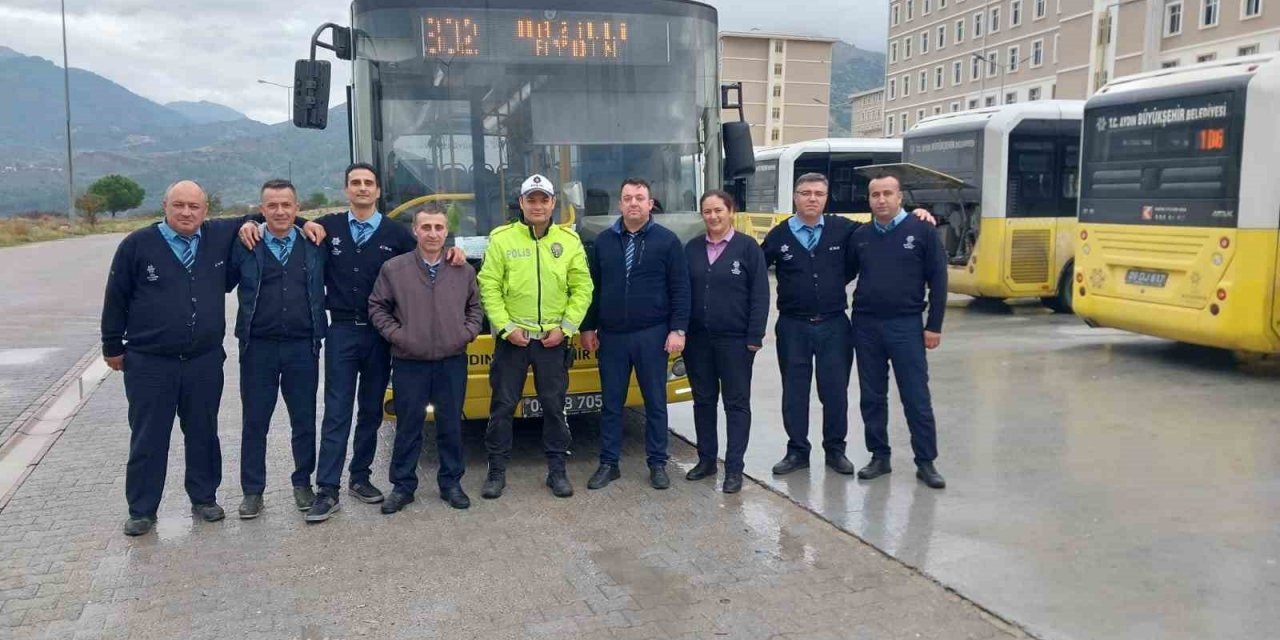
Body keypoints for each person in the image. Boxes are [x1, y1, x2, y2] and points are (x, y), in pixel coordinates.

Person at [103, 180, 324, 536]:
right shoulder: (138, 244)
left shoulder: (218, 236)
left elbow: (274, 216)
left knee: (204, 432)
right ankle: (143, 509)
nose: (186, 212)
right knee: (149, 436)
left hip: (205, 359)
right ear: (164, 206)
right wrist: (112, 344)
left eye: (194, 206)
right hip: (152, 360)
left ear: (206, 211)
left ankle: (205, 498)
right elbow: (116, 295)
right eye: (179, 205)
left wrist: (303, 222)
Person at [761, 173, 934, 478]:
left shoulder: (845, 230)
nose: (812, 198)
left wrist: (916, 215)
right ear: (795, 197)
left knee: (835, 392)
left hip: (834, 326)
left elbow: (883, 225)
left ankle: (835, 450)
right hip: (793, 327)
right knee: (795, 392)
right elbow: (755, 267)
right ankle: (797, 450)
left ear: (826, 198)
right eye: (805, 193)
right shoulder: (779, 235)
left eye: (818, 193)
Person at [476, 174, 593, 500]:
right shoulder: (502, 239)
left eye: (544, 199)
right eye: (532, 200)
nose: (538, 206)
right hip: (513, 340)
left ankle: (557, 470)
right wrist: (505, 328)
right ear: (522, 203)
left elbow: (582, 288)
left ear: (553, 203)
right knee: (502, 406)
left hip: (552, 342)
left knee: (554, 407)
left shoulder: (568, 241)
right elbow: (489, 287)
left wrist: (565, 328)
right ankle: (496, 471)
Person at [368, 207, 483, 513]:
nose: (433, 233)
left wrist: (465, 334)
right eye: (426, 227)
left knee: (451, 425)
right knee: (408, 426)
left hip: (451, 360)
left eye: (439, 227)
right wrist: (400, 336)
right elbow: (377, 307)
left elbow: (475, 308)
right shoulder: (394, 269)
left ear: (446, 232)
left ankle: (451, 484)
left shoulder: (462, 270)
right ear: (415, 231)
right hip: (409, 362)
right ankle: (402, 487)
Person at [580, 178, 690, 490]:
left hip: (652, 335)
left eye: (639, 198)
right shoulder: (603, 241)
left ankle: (657, 463)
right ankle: (609, 463)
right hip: (612, 337)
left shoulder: (667, 241)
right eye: (627, 198)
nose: (633, 203)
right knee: (611, 403)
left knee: (655, 402)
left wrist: (678, 329)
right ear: (620, 204)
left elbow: (681, 288)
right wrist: (588, 326)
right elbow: (593, 288)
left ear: (650, 203)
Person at [227, 179, 328, 519]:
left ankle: (302, 483)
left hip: (303, 346)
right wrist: (245, 223)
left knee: (304, 420)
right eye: (272, 205)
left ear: (297, 208)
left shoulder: (315, 243)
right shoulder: (246, 244)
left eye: (287, 205)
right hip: (258, 348)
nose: (280, 211)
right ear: (262, 209)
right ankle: (252, 491)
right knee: (255, 421)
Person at [847, 174, 948, 489]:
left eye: (887, 193)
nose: (881, 199)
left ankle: (925, 461)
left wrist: (934, 326)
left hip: (906, 325)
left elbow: (939, 280)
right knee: (872, 396)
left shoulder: (922, 230)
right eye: (875, 194)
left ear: (900, 197)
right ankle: (879, 456)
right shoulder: (861, 236)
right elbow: (843, 272)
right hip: (866, 326)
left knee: (916, 396)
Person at [682, 190, 769, 494]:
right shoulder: (692, 249)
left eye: (719, 210)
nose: (713, 216)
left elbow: (760, 294)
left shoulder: (748, 248)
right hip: (698, 341)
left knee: (736, 404)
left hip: (736, 342)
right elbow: (682, 292)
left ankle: (734, 468)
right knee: (704, 400)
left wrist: (754, 336)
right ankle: (706, 460)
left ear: (731, 211)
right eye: (707, 211)